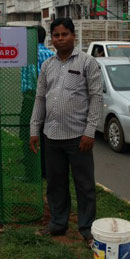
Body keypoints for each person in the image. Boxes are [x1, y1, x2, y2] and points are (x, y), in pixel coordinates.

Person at [29, 17, 103, 246]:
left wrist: (90, 132)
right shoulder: (47, 65)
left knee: (85, 186)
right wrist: (34, 129)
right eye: (56, 35)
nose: (60, 39)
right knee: (55, 184)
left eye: (64, 34)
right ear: (51, 38)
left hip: (78, 138)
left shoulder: (87, 63)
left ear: (73, 36)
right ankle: (58, 224)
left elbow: (96, 98)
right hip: (51, 136)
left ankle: (87, 229)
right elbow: (40, 98)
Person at [20, 26, 55, 178]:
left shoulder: (27, 56)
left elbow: (33, 78)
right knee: (45, 135)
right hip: (49, 99)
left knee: (27, 133)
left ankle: (31, 171)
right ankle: (46, 169)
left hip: (30, 98)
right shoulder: (52, 55)